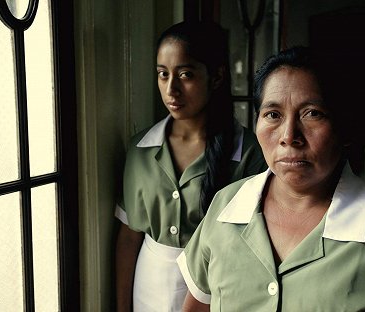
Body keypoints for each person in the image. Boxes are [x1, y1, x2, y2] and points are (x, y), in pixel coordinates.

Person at [177, 47, 365, 311]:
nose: (288, 136)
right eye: (273, 115)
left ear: (345, 127)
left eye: (312, 114)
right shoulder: (226, 205)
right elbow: (198, 304)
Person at [114, 20, 267, 312]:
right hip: (148, 286)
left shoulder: (249, 153)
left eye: (185, 74)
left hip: (218, 288)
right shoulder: (140, 150)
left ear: (217, 77)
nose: (172, 89)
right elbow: (128, 238)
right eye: (162, 74)